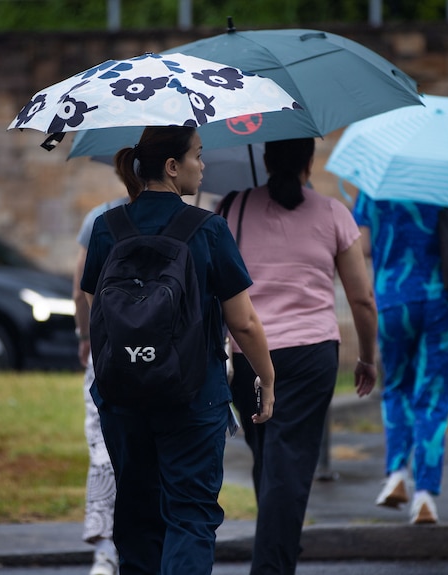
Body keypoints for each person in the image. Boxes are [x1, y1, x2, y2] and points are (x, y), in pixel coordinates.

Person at [80, 125, 276, 574]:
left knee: (135, 518)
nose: (203, 166)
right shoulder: (207, 229)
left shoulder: (107, 228)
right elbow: (242, 320)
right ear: (172, 167)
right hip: (193, 396)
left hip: (122, 395)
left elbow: (98, 313)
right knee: (189, 516)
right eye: (198, 156)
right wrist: (266, 376)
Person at [219, 137, 378, 575]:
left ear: (267, 159)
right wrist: (367, 357)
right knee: (286, 464)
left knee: (271, 457)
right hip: (310, 356)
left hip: (248, 354)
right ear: (310, 162)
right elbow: (362, 299)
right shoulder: (333, 214)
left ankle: (278, 547)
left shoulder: (232, 207)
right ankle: (273, 562)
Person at [354, 194, 448, 525]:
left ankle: (397, 474)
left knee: (396, 386)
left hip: (393, 298)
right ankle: (425, 495)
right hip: (443, 298)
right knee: (434, 397)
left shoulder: (377, 182)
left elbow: (364, 245)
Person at [72, 198, 127, 575]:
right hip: (168, 360)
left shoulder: (100, 218)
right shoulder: (191, 220)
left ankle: (106, 551)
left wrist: (84, 334)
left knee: (104, 445)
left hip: (108, 352)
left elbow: (80, 289)